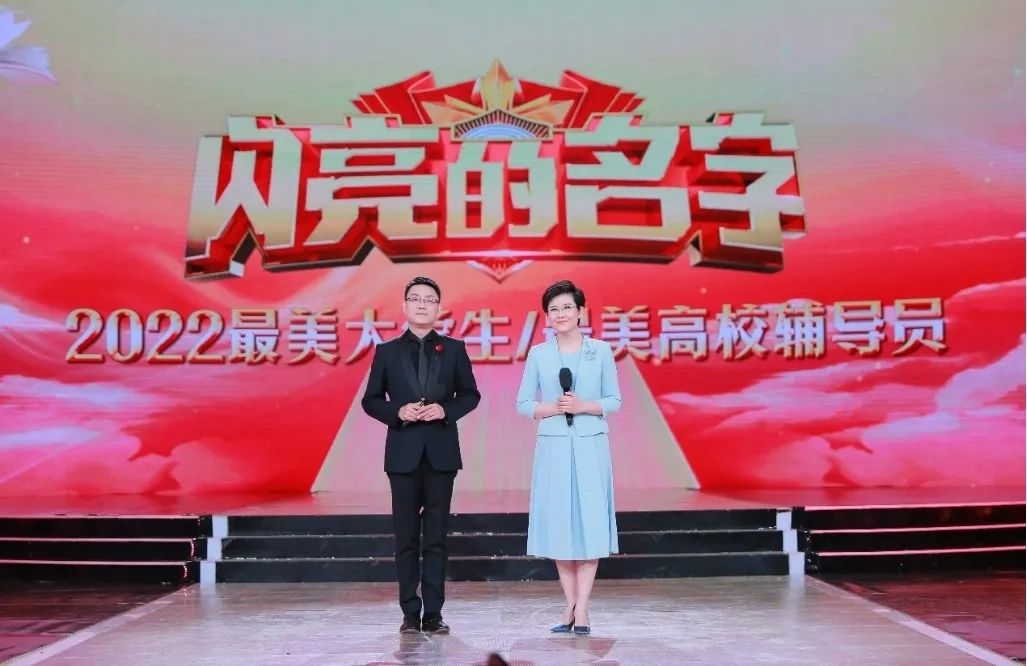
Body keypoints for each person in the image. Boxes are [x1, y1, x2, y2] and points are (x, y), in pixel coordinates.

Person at [362, 276, 481, 634]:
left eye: (429, 300)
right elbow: (371, 400)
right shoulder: (386, 352)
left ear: (439, 308)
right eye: (416, 299)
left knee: (436, 538)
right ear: (405, 307)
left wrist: (445, 410)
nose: (422, 304)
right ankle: (409, 613)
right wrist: (397, 412)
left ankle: (434, 613)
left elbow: (470, 395)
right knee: (406, 538)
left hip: (441, 454)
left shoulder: (454, 349)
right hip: (402, 454)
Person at [515, 280, 622, 636]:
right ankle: (569, 605)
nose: (560, 314)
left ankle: (583, 608)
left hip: (591, 445)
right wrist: (554, 408)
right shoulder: (539, 354)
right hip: (554, 447)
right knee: (561, 525)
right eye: (553, 310)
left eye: (566, 308)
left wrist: (583, 406)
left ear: (580, 312)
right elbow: (523, 404)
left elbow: (614, 400)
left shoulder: (600, 351)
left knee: (590, 524)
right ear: (547, 316)